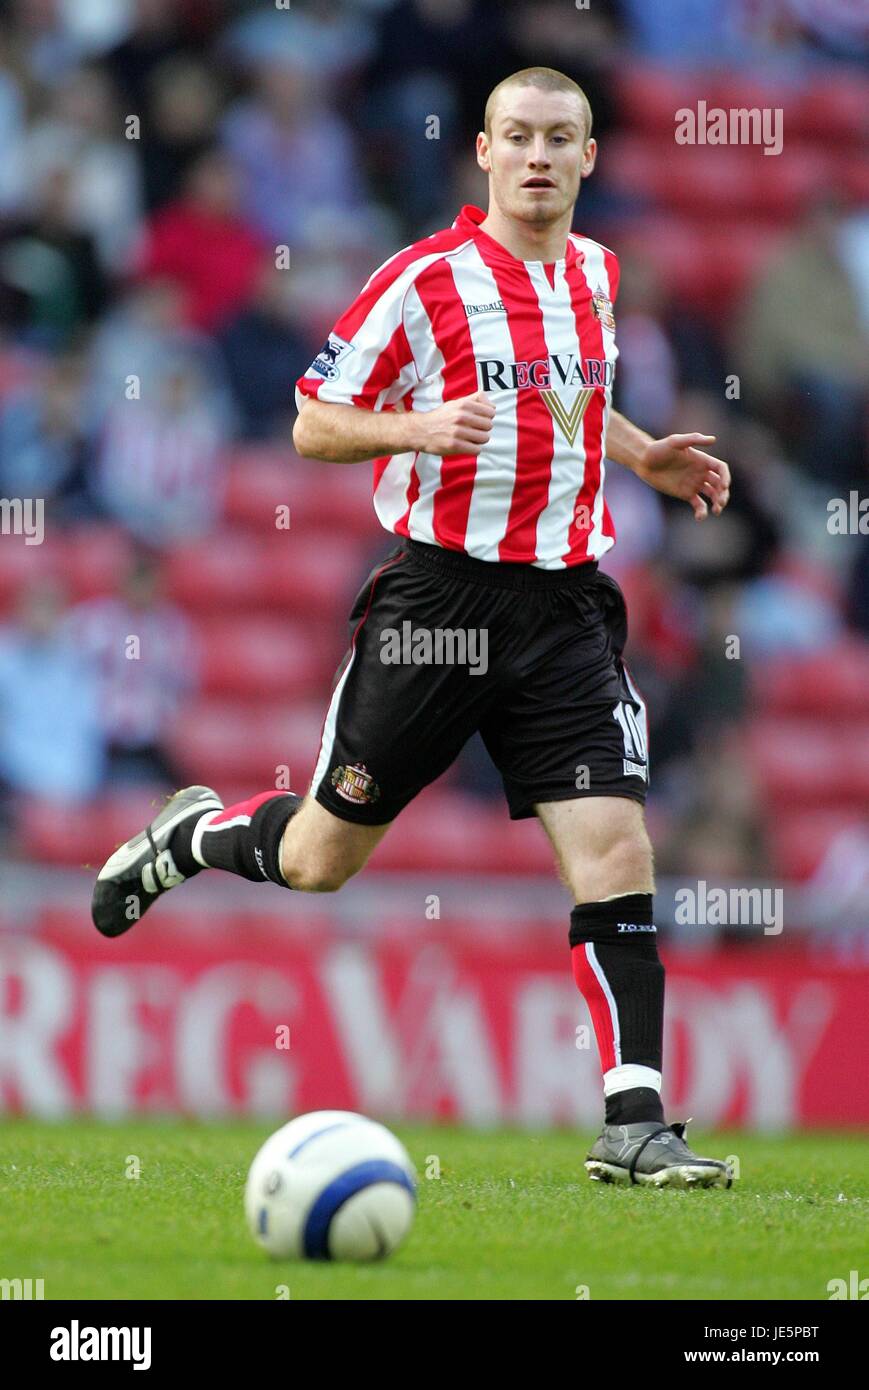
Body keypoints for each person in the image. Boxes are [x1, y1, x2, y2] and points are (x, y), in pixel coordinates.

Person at [92, 67, 732, 1189]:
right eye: (516, 137)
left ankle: (632, 1121)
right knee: (318, 857)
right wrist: (419, 424)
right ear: (480, 153)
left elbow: (567, 395)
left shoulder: (594, 269)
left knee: (616, 848)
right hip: (439, 605)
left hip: (568, 604)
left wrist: (642, 456)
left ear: (588, 159)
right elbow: (307, 423)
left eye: (559, 139)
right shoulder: (421, 278)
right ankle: (190, 837)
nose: (537, 156)